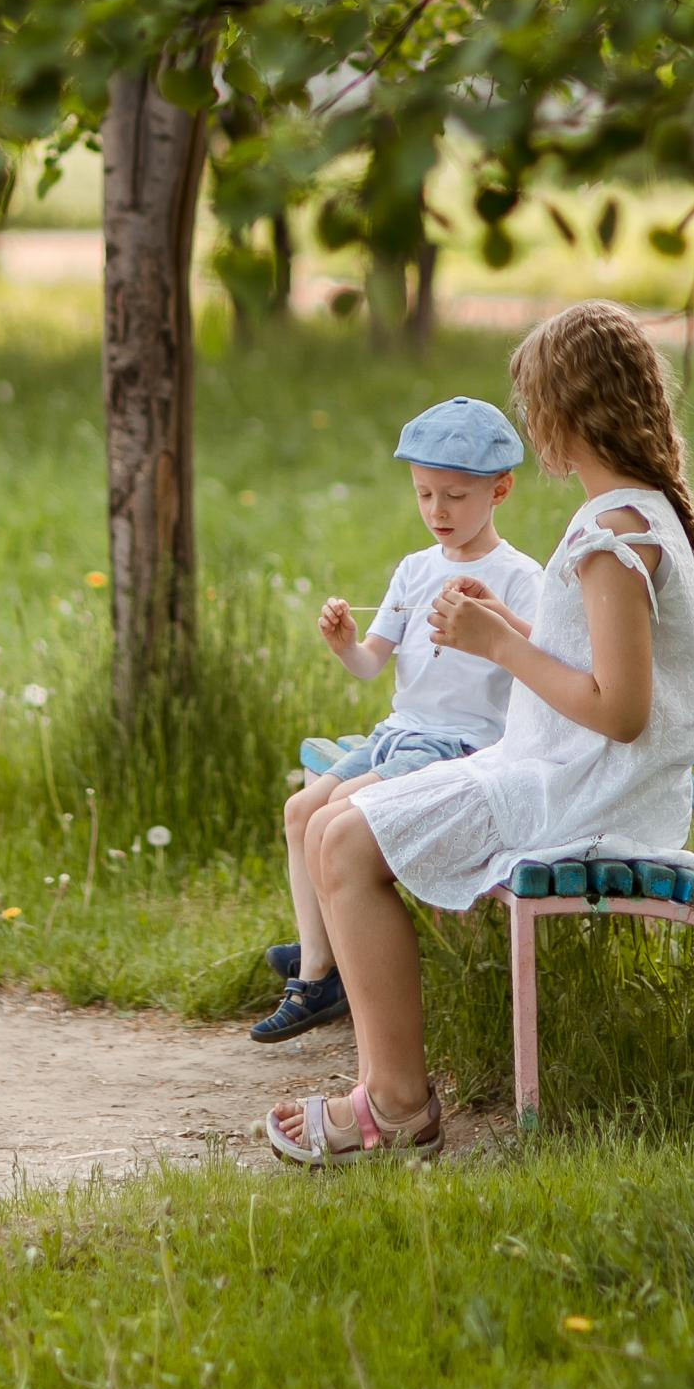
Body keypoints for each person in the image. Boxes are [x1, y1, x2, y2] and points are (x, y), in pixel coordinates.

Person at [265, 300, 694, 1162]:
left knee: (342, 845)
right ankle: (379, 1087)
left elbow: (621, 712)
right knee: (334, 828)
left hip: (582, 795)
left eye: (534, 408)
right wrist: (516, 631)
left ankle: (398, 1103)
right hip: (560, 772)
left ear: (564, 416)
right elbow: (601, 670)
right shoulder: (630, 514)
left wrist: (499, 647)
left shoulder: (613, 537)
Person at [250, 396, 544, 1043]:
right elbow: (369, 665)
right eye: (424, 494)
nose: (438, 511)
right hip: (396, 736)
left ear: (501, 490)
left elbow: (544, 666)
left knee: (333, 821)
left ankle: (319, 976)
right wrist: (345, 645)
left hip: (457, 749)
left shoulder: (520, 577)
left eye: (456, 496)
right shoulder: (414, 570)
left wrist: (498, 626)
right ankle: (318, 957)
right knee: (300, 812)